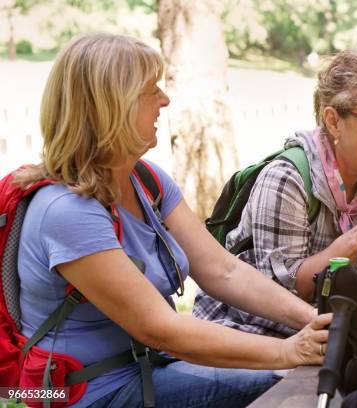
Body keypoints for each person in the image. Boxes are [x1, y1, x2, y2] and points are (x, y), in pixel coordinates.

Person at [14, 33, 331, 408]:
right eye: (151, 90)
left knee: (302, 380)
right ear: (113, 105)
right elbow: (160, 330)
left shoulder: (145, 180)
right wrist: (289, 352)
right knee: (294, 388)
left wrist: (313, 321)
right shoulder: (67, 212)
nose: (164, 99)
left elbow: (223, 271)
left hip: (151, 367)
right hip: (93, 393)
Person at [193, 48, 357, 338]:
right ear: (334, 120)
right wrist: (355, 239)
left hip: (325, 335)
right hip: (246, 335)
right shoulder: (286, 179)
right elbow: (280, 292)